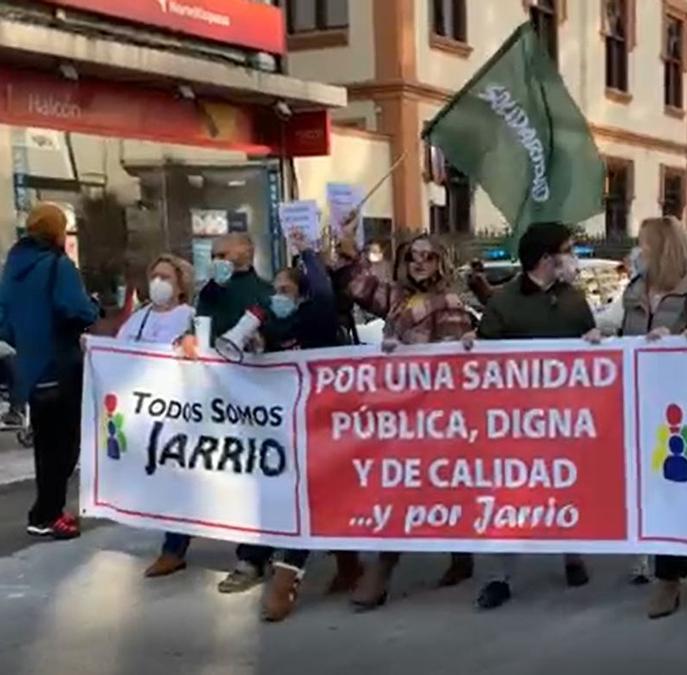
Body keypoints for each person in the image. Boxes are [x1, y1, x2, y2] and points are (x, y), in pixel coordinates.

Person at [462, 222, 601, 611]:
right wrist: (473, 344)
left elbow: (594, 356)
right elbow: (484, 360)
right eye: (568, 249)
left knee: (565, 485)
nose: (572, 258)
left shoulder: (573, 299)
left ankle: (572, 554)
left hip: (563, 417)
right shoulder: (504, 302)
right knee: (509, 497)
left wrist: (592, 342)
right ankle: (499, 576)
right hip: (515, 421)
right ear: (545, 258)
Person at [336, 231, 477, 610]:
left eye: (428, 257)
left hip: (431, 413)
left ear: (440, 263)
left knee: (406, 486)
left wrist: (409, 354)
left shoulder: (448, 302)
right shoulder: (399, 297)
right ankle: (461, 556)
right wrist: (349, 254)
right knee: (417, 485)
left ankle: (383, 568)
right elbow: (362, 289)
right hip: (397, 408)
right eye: (413, 255)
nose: (419, 262)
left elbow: (449, 361)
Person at [594, 217, 687, 619]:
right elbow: (617, 327)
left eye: (642, 245)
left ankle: (669, 578)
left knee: (676, 484)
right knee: (651, 488)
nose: (635, 252)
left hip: (684, 404)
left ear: (661, 248)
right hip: (639, 399)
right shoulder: (634, 290)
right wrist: (599, 335)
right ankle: (668, 565)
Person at [260, 232, 363, 622]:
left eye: (285, 290)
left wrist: (308, 252)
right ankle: (350, 566)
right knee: (319, 495)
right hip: (290, 427)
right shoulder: (276, 327)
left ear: (301, 295)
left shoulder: (317, 317)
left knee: (311, 496)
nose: (277, 297)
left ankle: (287, 577)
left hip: (328, 424)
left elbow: (321, 290)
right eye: (275, 291)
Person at [0, 204, 99, 540]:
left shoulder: (13, 267)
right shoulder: (58, 266)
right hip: (62, 364)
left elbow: (4, 320)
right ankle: (50, 513)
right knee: (65, 445)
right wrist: (93, 309)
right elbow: (75, 309)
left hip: (33, 368)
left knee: (45, 447)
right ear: (56, 230)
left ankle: (42, 512)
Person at [190, 233, 277, 593]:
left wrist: (263, 342)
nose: (217, 260)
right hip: (220, 395)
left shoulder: (266, 293)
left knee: (260, 475)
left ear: (246, 252)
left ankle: (254, 556)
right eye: (212, 255)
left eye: (223, 254)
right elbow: (199, 329)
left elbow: (281, 334)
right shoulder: (210, 292)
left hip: (258, 399)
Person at [121, 255, 200, 577]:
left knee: (181, 477)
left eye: (166, 277)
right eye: (155, 276)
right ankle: (175, 542)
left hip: (180, 409)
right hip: (145, 410)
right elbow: (119, 352)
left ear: (181, 285)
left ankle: (174, 548)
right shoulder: (139, 318)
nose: (158, 283)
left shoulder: (189, 317)